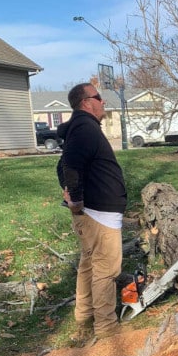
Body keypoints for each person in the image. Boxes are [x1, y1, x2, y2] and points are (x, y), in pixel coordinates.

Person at [57, 83, 128, 340]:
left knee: (89, 264)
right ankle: (107, 329)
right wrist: (75, 200)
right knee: (106, 269)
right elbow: (70, 166)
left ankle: (84, 314)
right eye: (99, 97)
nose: (104, 102)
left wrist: (72, 197)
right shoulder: (85, 128)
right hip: (99, 214)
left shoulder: (80, 129)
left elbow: (63, 165)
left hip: (94, 212)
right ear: (87, 102)